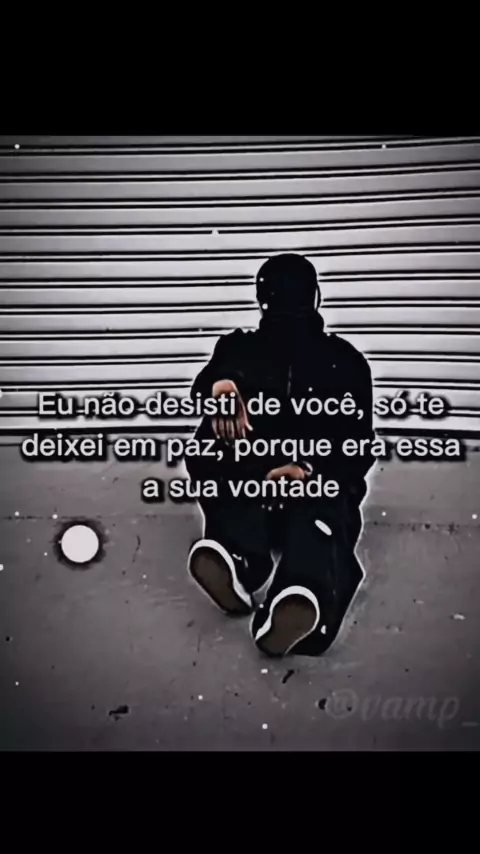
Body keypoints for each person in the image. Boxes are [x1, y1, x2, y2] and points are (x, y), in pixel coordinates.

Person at [185, 253, 375, 657]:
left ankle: (297, 595)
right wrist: (222, 385)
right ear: (316, 297)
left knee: (322, 509)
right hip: (259, 485)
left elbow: (355, 447)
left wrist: (305, 469)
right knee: (210, 438)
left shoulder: (343, 362)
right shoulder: (242, 350)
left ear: (261, 300)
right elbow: (359, 443)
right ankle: (242, 563)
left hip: (308, 484)